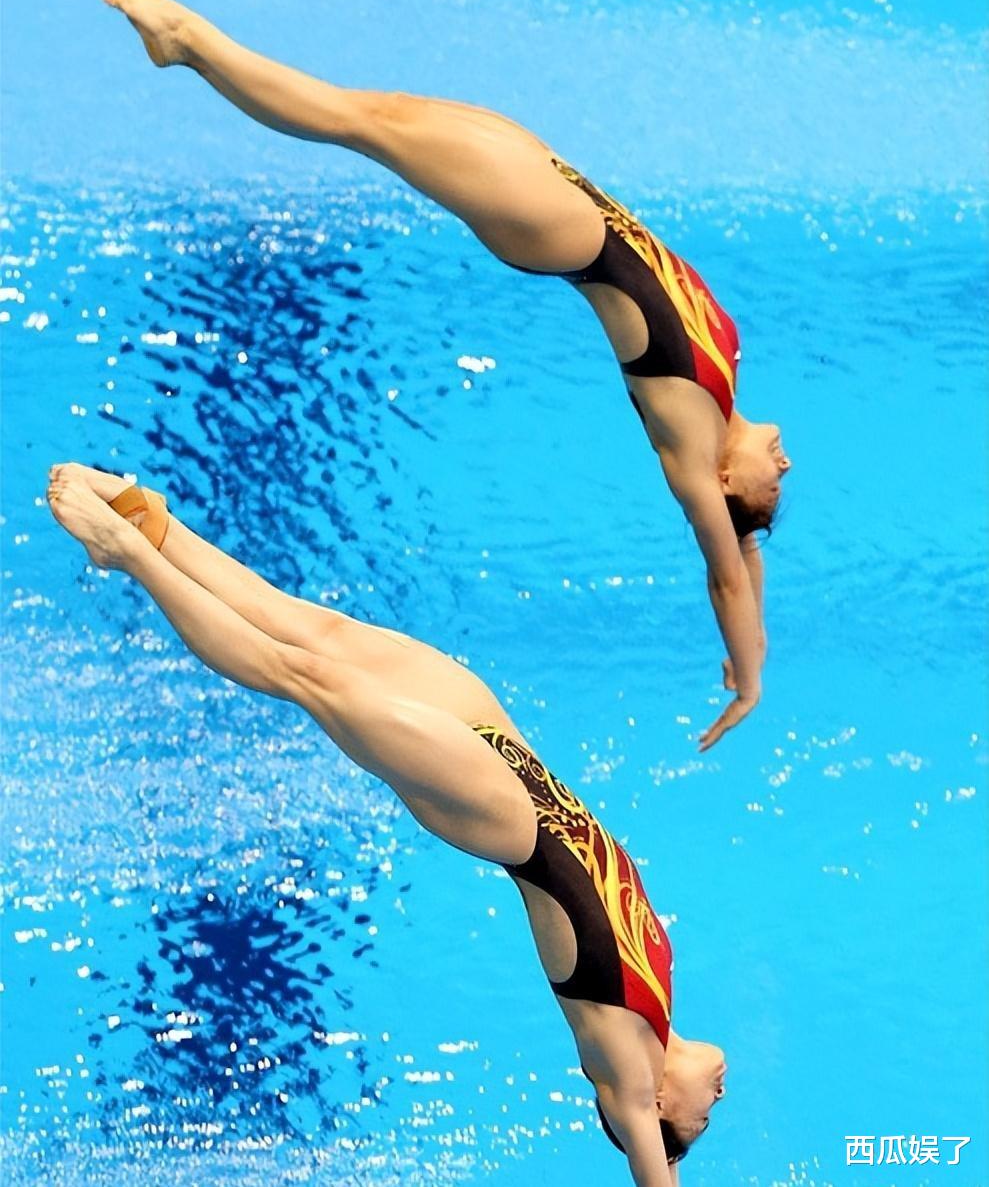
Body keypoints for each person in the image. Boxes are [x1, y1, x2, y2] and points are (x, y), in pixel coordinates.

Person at [101, 0, 793, 751]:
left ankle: (186, 42)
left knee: (356, 122)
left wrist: (748, 677)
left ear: (724, 483)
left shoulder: (691, 447)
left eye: (771, 488)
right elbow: (745, 554)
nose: (785, 466)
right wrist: (755, 632)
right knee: (378, 112)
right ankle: (189, 46)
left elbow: (726, 568)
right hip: (565, 191)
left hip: (555, 225)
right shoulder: (723, 388)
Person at [47, 462, 728, 1185]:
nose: (717, 1099)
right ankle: (149, 518)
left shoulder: (625, 1070)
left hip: (503, 817)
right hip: (506, 745)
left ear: (656, 1107)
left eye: (702, 1120)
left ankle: (127, 553)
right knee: (318, 630)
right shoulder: (658, 1014)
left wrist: (657, 1154)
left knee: (303, 675)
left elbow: (652, 1166)